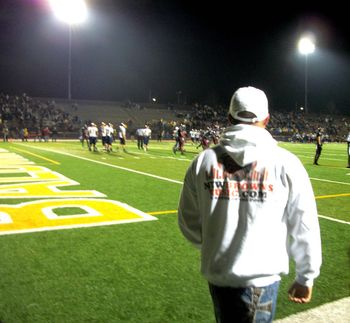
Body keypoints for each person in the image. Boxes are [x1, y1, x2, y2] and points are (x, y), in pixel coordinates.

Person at [178, 86, 322, 323]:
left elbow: (188, 221)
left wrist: (216, 245)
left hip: (218, 276)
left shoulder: (202, 161)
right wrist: (306, 276)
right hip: (261, 281)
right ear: (267, 119)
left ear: (229, 118)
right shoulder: (286, 163)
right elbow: (304, 224)